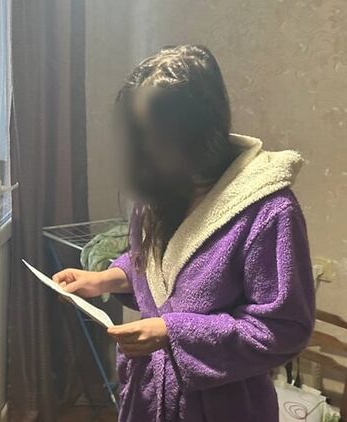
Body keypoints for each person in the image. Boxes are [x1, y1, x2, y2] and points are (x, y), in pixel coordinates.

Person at [54, 45, 315, 422]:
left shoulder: (268, 210)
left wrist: (172, 333)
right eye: (138, 134)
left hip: (225, 407)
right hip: (148, 399)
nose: (145, 149)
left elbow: (284, 328)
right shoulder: (158, 191)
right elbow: (162, 268)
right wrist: (106, 279)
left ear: (198, 130)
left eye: (156, 136)